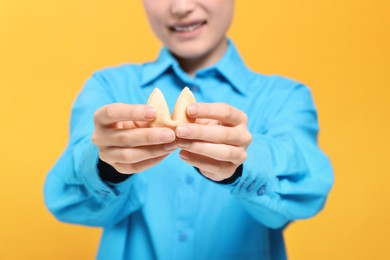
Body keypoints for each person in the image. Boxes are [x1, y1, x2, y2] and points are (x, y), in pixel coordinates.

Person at [44, 0, 334, 259]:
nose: (180, 7)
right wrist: (106, 166)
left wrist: (240, 165)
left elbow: (309, 188)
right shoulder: (108, 87)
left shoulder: (285, 96)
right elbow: (66, 198)